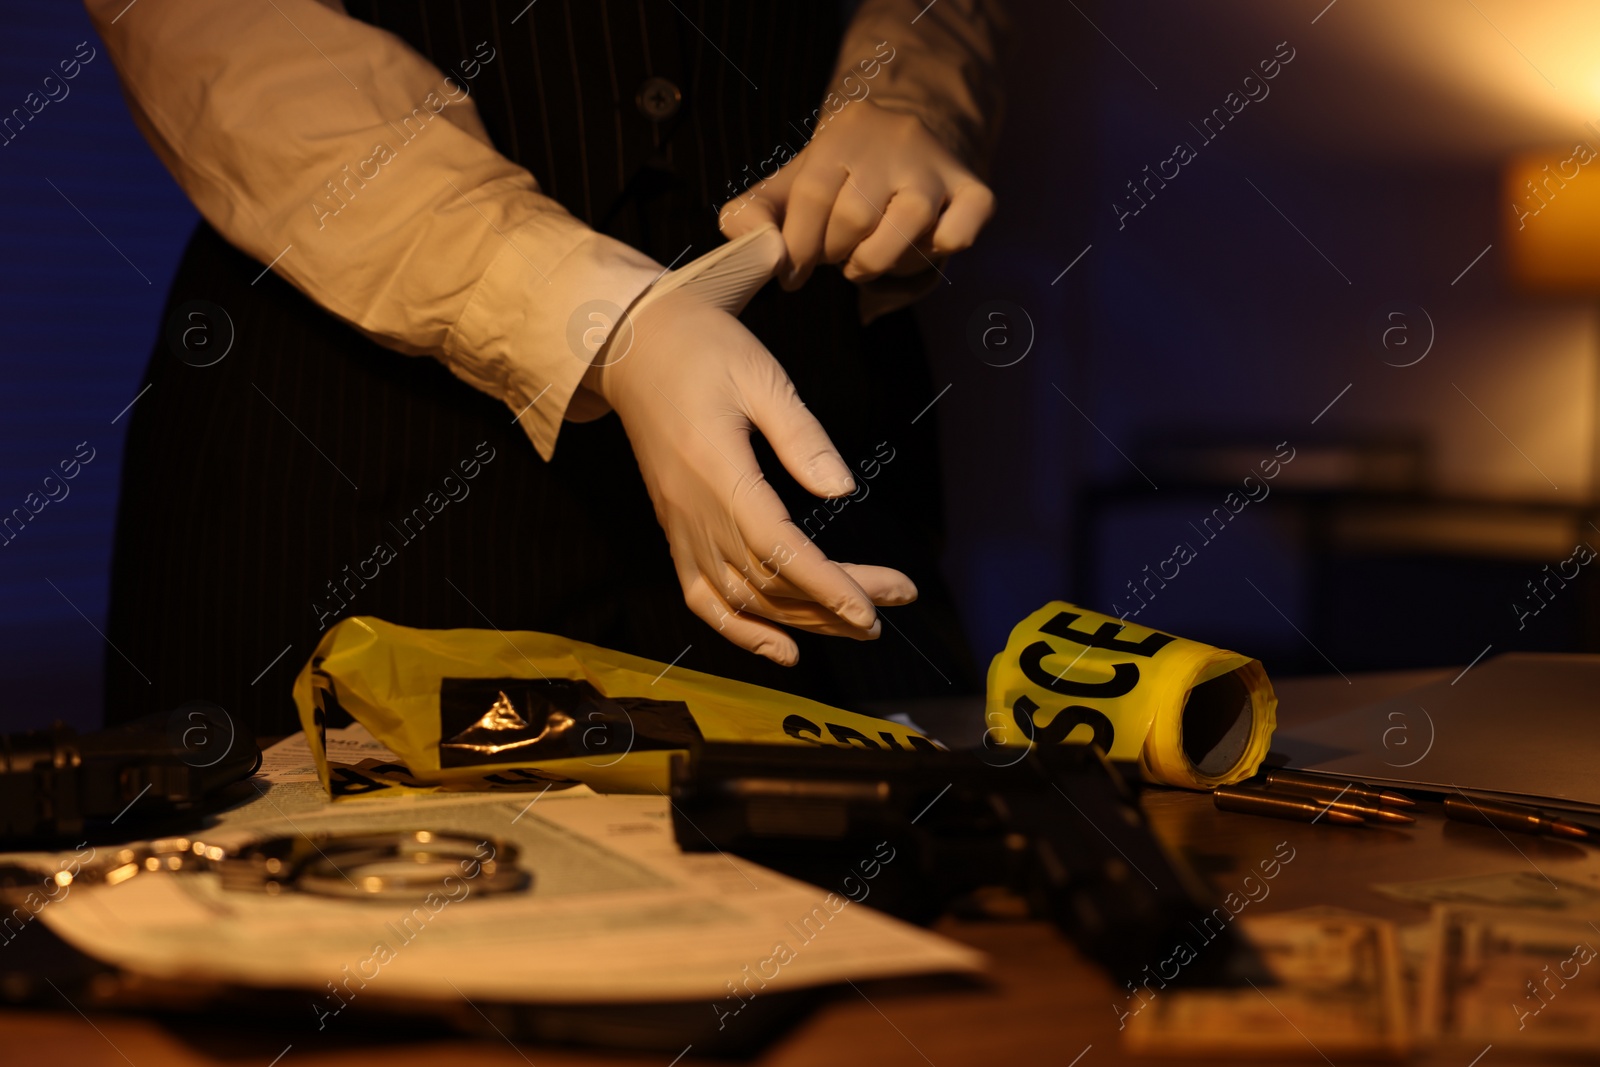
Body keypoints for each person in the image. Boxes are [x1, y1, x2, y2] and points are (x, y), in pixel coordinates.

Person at [89, 0, 1006, 735]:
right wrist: (598, 320)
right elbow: (217, 37)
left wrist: (909, 85)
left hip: (811, 404)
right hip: (352, 444)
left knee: (883, 924)